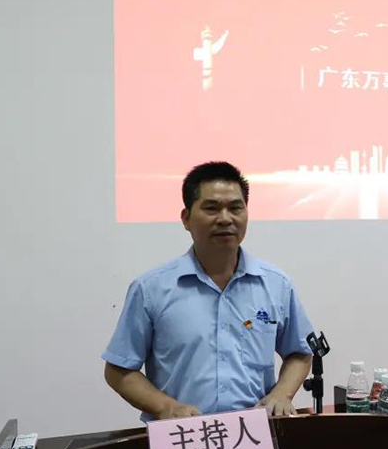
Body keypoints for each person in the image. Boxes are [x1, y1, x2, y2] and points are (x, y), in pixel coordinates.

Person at [103, 161, 314, 421]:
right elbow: (119, 370)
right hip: (182, 436)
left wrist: (282, 394)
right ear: (186, 218)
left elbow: (299, 353)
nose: (225, 219)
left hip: (253, 435)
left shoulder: (275, 284)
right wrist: (164, 406)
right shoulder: (151, 289)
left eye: (235, 208)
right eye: (212, 208)